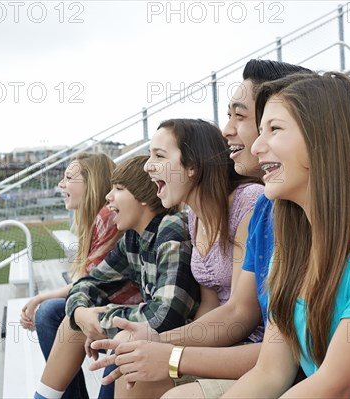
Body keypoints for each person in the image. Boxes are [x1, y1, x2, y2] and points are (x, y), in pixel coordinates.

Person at [89, 60, 311, 399]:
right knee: (130, 371)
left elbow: (244, 317)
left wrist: (166, 349)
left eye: (241, 116)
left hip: (258, 354)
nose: (226, 130)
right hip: (249, 351)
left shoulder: (255, 204)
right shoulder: (252, 208)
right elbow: (216, 310)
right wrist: (155, 344)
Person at [221, 72, 350, 398]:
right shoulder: (292, 244)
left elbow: (336, 386)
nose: (257, 146)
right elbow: (269, 373)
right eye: (260, 130)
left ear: (325, 139)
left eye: (275, 129)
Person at [33, 155, 200, 399]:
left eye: (119, 189)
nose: (109, 197)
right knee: (75, 320)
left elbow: (165, 318)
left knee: (120, 338)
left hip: (184, 345)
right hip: (145, 335)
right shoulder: (133, 238)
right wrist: (82, 313)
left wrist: (101, 319)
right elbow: (87, 284)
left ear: (144, 197)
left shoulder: (171, 227)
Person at [20, 152, 129, 399]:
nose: (61, 184)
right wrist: (41, 299)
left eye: (68, 178)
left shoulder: (108, 216)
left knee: (50, 312)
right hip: (107, 309)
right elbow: (84, 283)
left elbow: (87, 285)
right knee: (49, 312)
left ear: (90, 184)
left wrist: (39, 298)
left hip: (124, 316)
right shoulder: (94, 219)